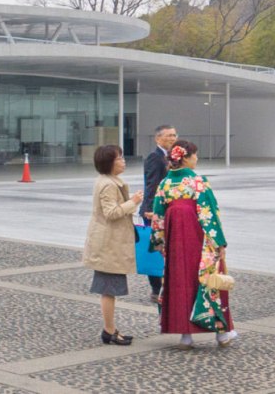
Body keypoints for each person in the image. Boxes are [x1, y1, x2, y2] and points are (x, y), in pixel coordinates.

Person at [151, 138, 237, 348]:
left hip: (175, 241)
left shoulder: (165, 183)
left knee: (179, 281)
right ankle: (221, 335)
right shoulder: (197, 181)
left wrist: (160, 243)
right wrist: (219, 243)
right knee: (208, 279)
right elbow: (209, 213)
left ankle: (185, 336)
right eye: (195, 155)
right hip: (198, 239)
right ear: (186, 158)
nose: (196, 159)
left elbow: (158, 216)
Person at [83, 143, 143, 345]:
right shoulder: (108, 184)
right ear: (109, 162)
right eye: (119, 158)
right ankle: (109, 330)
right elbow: (111, 213)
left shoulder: (109, 181)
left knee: (109, 288)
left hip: (109, 244)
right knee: (108, 290)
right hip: (108, 245)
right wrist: (133, 202)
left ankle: (110, 329)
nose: (123, 161)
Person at [141, 123, 176, 307]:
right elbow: (151, 184)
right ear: (158, 138)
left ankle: (161, 286)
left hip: (163, 210)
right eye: (169, 135)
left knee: (162, 249)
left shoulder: (168, 157)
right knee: (155, 249)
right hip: (153, 211)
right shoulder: (155, 157)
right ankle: (156, 289)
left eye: (174, 135)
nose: (172, 138)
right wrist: (150, 209)